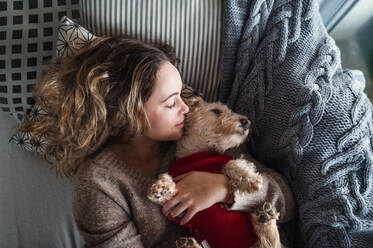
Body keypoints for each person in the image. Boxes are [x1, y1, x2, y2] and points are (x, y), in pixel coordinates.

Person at [22, 36, 296, 247]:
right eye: (170, 103)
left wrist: (223, 188)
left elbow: (286, 203)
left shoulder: (199, 135)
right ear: (127, 115)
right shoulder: (99, 184)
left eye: (181, 95)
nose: (186, 108)